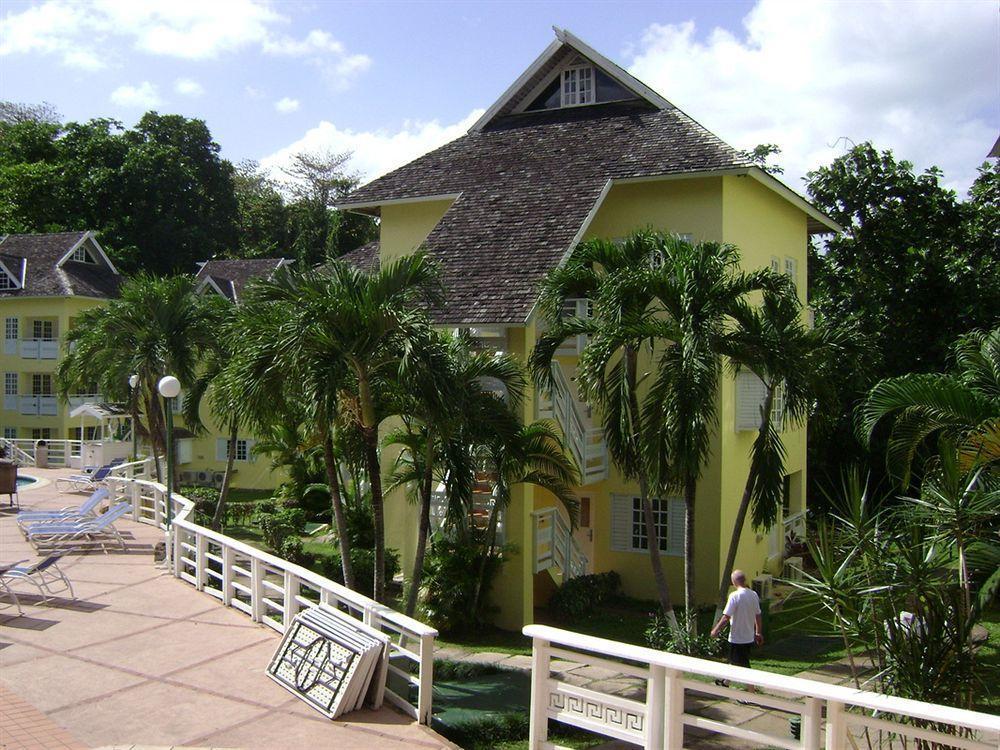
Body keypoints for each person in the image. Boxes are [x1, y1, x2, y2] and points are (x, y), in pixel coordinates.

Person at [710, 569, 763, 691]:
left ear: (734, 582)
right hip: (748, 637)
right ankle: (726, 681)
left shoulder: (734, 596)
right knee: (734, 660)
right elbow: (758, 615)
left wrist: (716, 630)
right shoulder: (753, 595)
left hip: (737, 638)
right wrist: (758, 632)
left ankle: (751, 692)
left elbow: (726, 617)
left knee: (743, 665)